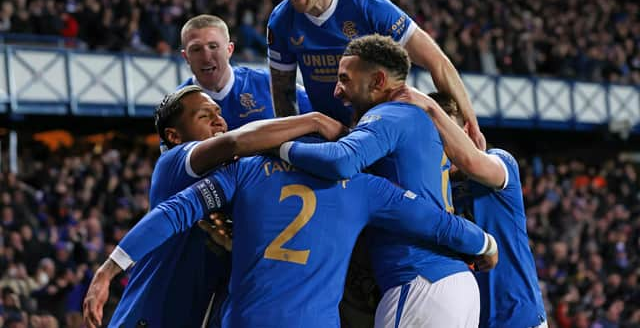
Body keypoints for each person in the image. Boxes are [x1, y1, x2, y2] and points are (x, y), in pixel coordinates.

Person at [83, 152, 499, 328]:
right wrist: (484, 243)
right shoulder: (361, 184)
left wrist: (110, 268)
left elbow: (172, 212)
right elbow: (436, 223)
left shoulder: (246, 169)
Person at [86, 85, 344, 328]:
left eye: (218, 113)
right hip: (149, 315)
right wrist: (314, 121)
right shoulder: (174, 164)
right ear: (174, 136)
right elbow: (235, 142)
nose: (218, 120)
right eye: (204, 116)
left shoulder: (236, 179)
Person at [278, 34, 482, 327]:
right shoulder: (413, 120)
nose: (337, 91)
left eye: (345, 79)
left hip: (418, 281)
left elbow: (340, 161)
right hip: (447, 282)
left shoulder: (390, 114)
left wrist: (279, 147)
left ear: (377, 82)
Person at [267, 0, 485, 151]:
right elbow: (283, 94)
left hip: (380, 133)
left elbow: (437, 62)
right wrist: (290, 146)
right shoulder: (280, 22)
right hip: (329, 135)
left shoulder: (366, 4)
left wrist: (472, 127)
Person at [396, 90, 548, 328]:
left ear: (465, 130)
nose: (439, 144)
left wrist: (427, 106)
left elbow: (470, 161)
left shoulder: (500, 162)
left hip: (519, 319)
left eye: (443, 134)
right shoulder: (430, 186)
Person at [179, 14, 312, 131]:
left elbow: (317, 115)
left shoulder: (266, 82)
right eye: (196, 49)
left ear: (229, 50)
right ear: (186, 57)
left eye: (213, 46)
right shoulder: (178, 106)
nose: (206, 57)